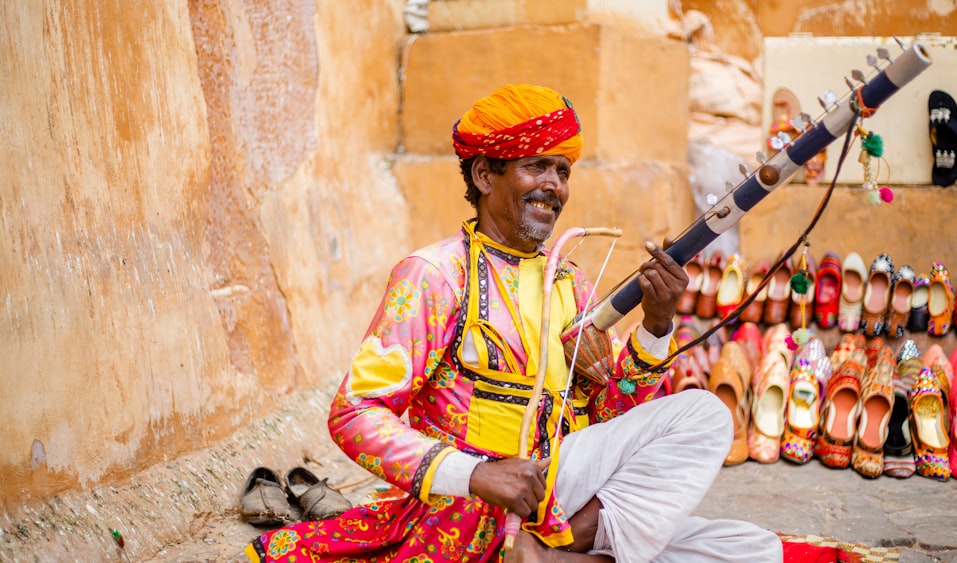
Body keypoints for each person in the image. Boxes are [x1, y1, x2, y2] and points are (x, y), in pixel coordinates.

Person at [245, 84, 781, 562]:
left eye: (563, 171)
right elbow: (355, 413)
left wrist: (656, 327)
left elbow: (611, 417)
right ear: (484, 174)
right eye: (537, 167)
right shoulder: (434, 275)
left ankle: (559, 552)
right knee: (707, 415)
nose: (555, 186)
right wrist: (475, 474)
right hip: (468, 506)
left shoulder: (569, 281)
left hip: (559, 495)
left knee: (755, 548)